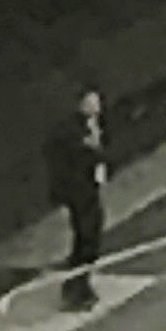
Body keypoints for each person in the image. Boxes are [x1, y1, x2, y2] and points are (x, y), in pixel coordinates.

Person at [42, 87, 105, 311]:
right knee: (86, 237)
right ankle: (76, 287)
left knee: (90, 237)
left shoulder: (93, 126)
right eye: (92, 103)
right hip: (79, 192)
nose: (97, 107)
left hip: (90, 189)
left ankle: (80, 283)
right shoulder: (71, 131)